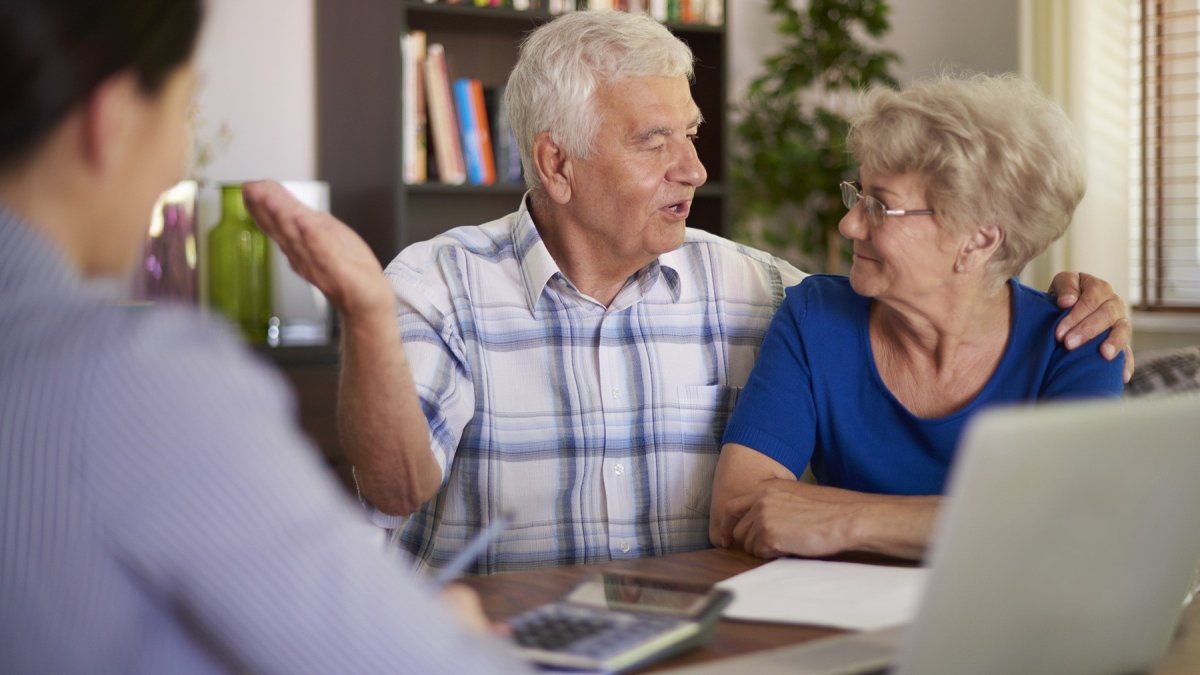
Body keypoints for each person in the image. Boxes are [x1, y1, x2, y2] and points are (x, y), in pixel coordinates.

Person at [245, 12, 1132, 574]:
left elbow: (936, 298)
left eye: (693, 134)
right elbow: (395, 490)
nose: (695, 169)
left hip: (696, 646)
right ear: (556, 163)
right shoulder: (437, 285)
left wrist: (1085, 293)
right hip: (493, 645)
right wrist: (364, 311)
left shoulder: (758, 286)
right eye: (655, 140)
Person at [0, 1, 532, 672]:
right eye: (183, 114)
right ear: (111, 121)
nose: (176, 171)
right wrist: (455, 636)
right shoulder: (136, 378)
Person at [709, 74, 1126, 562]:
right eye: (857, 194)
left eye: (881, 207)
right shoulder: (815, 316)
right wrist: (991, 522)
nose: (849, 224)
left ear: (978, 239)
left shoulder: (1075, 342)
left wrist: (848, 519)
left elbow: (1068, 529)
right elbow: (737, 512)